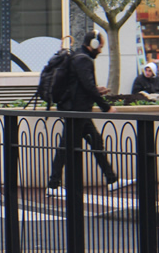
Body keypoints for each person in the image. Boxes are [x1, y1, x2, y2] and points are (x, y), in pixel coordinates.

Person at [46, 30, 135, 197]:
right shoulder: (83, 60)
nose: (101, 49)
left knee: (95, 141)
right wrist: (105, 107)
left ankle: (112, 180)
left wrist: (97, 90)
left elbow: (80, 85)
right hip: (77, 111)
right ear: (93, 45)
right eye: (100, 45)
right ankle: (53, 185)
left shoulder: (79, 57)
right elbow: (87, 85)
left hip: (78, 110)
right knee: (66, 147)